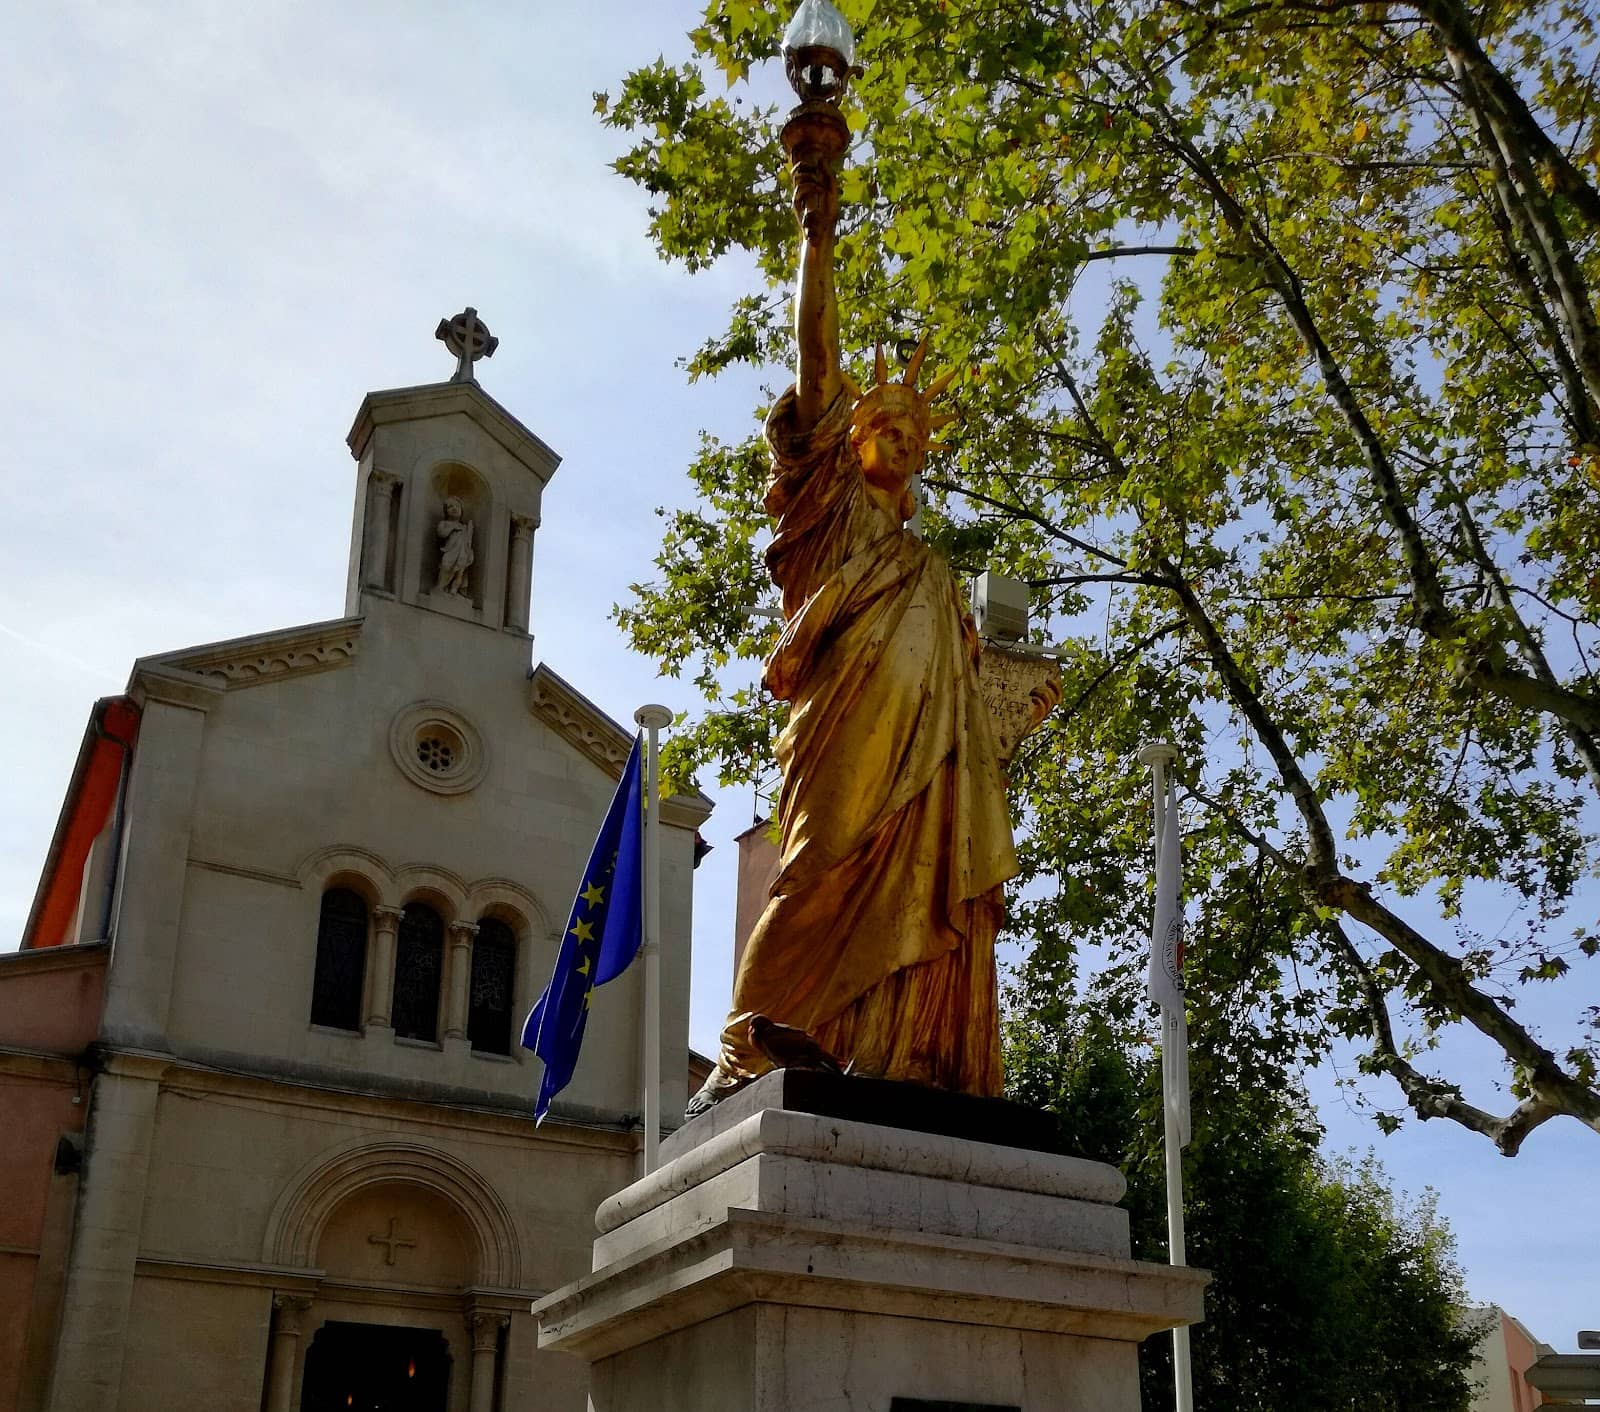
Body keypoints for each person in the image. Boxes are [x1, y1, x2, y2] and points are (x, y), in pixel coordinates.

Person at [687, 102, 1017, 1114]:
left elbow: (968, 692)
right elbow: (817, 359)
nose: (905, 433)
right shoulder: (823, 514)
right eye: (886, 420)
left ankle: (896, 1052)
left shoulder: (928, 564)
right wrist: (816, 224)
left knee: (917, 885)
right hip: (839, 737)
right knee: (814, 865)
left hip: (923, 769)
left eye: (917, 429)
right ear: (844, 439)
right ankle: (747, 1044)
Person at [435, 496, 475, 596]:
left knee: (459, 573)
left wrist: (469, 532)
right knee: (445, 565)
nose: (454, 508)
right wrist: (452, 528)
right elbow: (441, 533)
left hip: (462, 553)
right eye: (450, 506)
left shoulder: (464, 527)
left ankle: (454, 589)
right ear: (446, 511)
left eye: (457, 506)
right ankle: (440, 587)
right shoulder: (444, 523)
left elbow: (468, 541)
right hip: (450, 551)